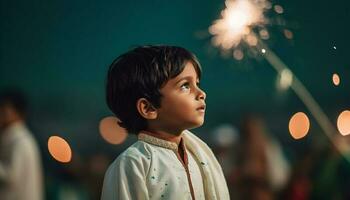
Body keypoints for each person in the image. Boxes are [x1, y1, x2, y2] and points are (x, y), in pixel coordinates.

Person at [101, 45, 229, 200]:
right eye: (185, 86)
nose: (201, 94)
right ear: (148, 108)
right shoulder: (133, 163)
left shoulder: (198, 156)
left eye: (197, 84)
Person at [0, 89, 44, 200]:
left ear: (18, 112)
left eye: (4, 110)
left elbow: (11, 176)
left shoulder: (21, 141)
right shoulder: (17, 138)